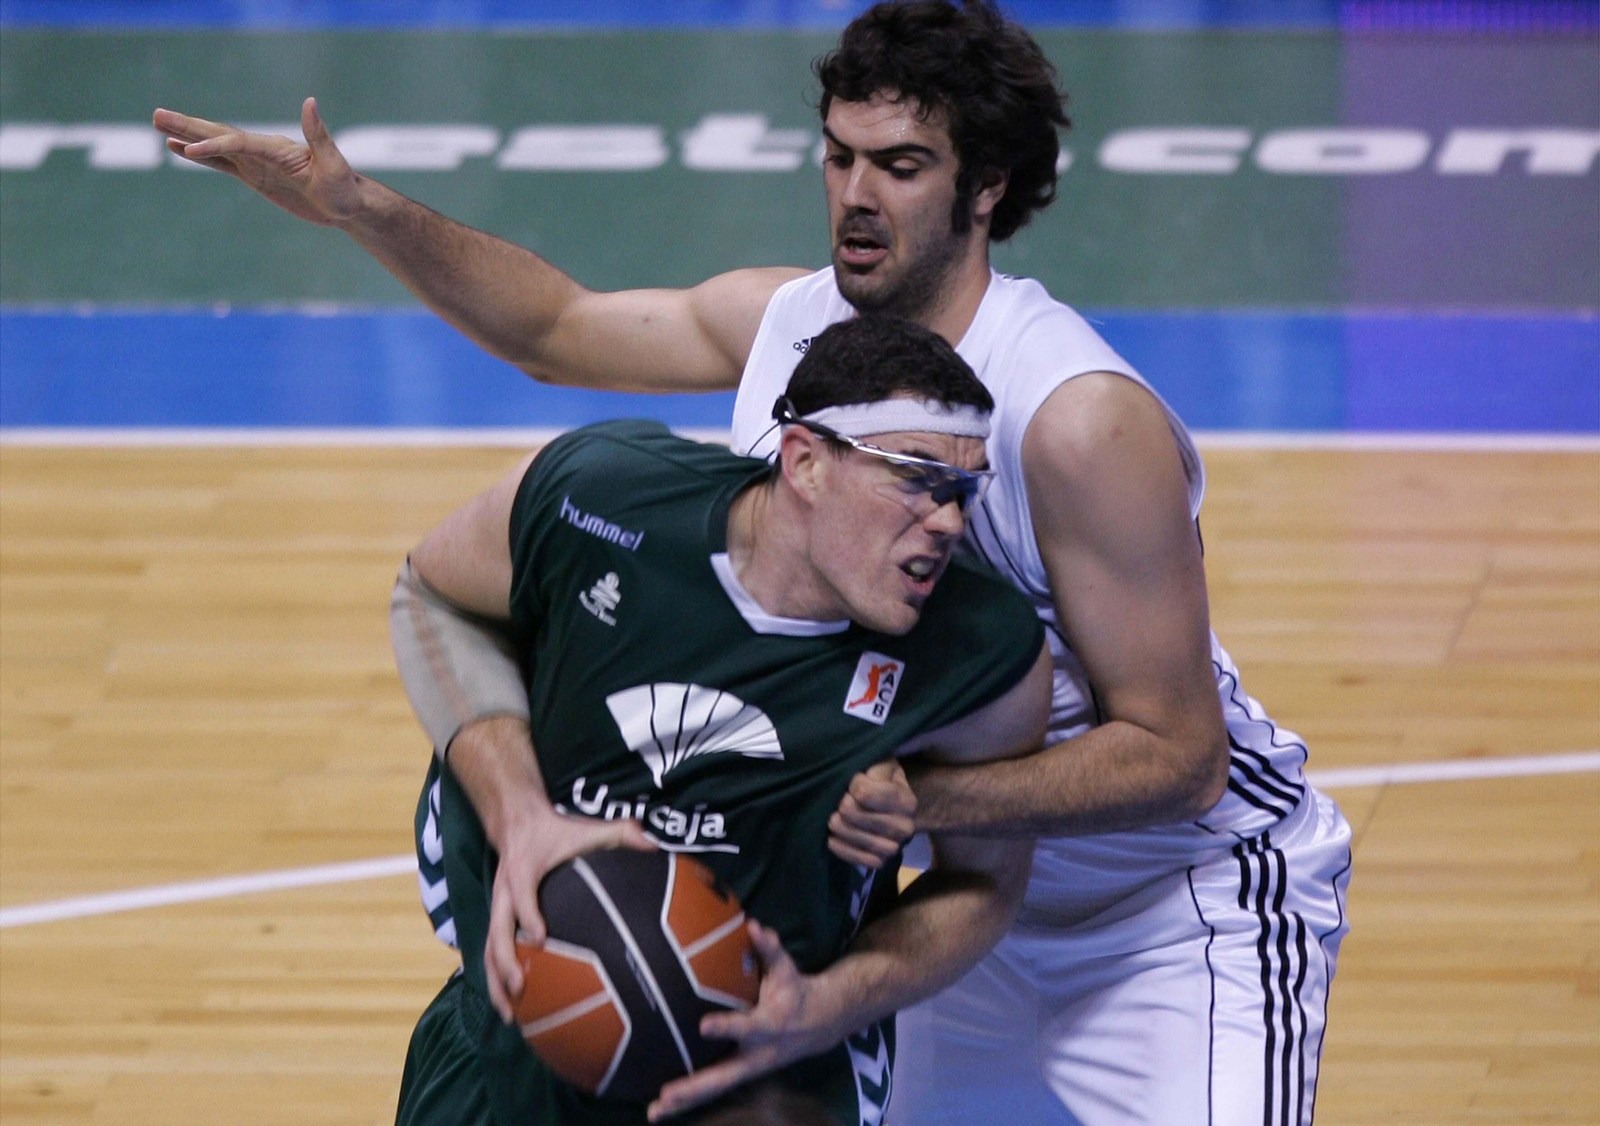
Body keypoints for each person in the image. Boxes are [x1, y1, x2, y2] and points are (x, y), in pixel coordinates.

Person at [154, 2, 1353, 1122]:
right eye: (837, 155)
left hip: (1170, 911)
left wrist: (917, 798)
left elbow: (1181, 755)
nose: (853, 195)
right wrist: (363, 208)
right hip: (943, 896)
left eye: (899, 164)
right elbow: (554, 329)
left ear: (987, 186)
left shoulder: (1075, 420)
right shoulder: (790, 324)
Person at [389, 315, 1051, 1125]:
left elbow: (985, 884)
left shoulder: (979, 649)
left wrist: (833, 1001)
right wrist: (520, 815)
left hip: (772, 1082)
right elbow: (429, 595)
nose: (947, 521)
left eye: (962, 490)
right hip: (519, 1047)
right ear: (805, 462)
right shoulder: (601, 499)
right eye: (915, 478)